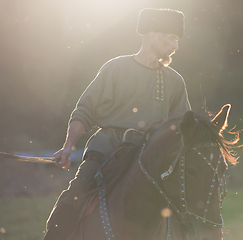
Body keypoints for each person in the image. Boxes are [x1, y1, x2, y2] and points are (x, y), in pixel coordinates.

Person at [44, 8, 191, 240]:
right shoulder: (116, 68)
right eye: (171, 38)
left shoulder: (175, 81)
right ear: (152, 34)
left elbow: (183, 128)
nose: (176, 46)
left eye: (177, 40)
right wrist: (68, 146)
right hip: (107, 149)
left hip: (151, 157)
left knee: (187, 203)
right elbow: (85, 111)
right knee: (76, 194)